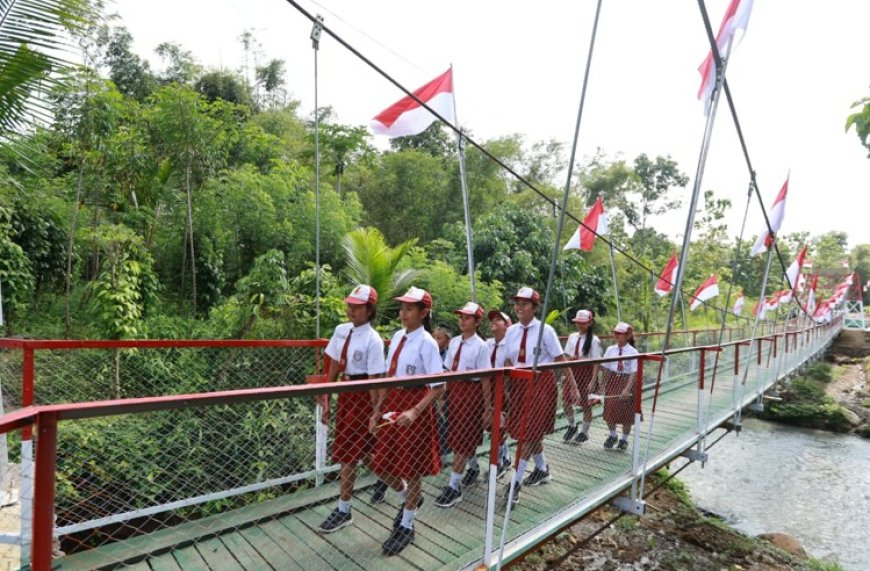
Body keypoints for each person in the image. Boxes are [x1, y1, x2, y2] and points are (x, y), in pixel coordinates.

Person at [370, 287, 445, 556]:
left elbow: (439, 386)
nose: (403, 313)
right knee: (381, 464)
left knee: (412, 469)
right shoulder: (397, 337)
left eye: (409, 309)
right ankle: (409, 499)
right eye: (402, 308)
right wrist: (377, 410)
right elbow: (389, 378)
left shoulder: (427, 343)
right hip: (393, 402)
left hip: (415, 404)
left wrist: (414, 411)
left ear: (423, 313)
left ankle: (407, 525)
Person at [318, 285, 387, 533]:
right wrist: (326, 396)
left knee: (349, 453)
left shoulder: (373, 340)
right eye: (349, 305)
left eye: (357, 307)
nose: (350, 310)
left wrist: (376, 411)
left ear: (369, 310)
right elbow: (334, 365)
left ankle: (344, 509)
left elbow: (375, 379)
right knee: (366, 454)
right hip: (345, 393)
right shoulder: (341, 330)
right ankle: (399, 487)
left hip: (362, 396)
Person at [502, 287, 576, 506]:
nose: (519, 307)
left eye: (524, 304)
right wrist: (506, 387)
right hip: (519, 384)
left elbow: (560, 359)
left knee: (528, 433)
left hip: (540, 384)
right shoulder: (511, 331)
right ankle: (542, 469)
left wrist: (572, 385)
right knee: (530, 432)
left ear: (534, 308)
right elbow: (508, 360)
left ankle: (515, 482)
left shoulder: (546, 330)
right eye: (517, 303)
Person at [434, 302, 491, 508]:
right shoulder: (455, 342)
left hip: (470, 393)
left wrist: (487, 407)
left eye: (467, 318)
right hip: (454, 391)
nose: (462, 321)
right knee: (458, 436)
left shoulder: (481, 346)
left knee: (462, 439)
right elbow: (448, 370)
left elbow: (485, 378)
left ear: (477, 322)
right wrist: (443, 396)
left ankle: (454, 487)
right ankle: (473, 467)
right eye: (461, 317)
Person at [562, 309, 602, 444]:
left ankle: (584, 432)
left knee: (586, 404)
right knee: (566, 400)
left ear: (589, 323)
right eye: (578, 322)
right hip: (572, 371)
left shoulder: (594, 340)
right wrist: (565, 374)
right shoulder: (572, 336)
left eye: (583, 322)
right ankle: (572, 425)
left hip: (586, 373)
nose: (579, 325)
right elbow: (567, 356)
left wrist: (593, 380)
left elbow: (596, 362)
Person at [599, 322, 640, 450]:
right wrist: (602, 385)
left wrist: (627, 389)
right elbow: (606, 368)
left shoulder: (633, 352)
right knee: (610, 408)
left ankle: (624, 439)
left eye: (619, 333)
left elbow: (634, 372)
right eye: (615, 333)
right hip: (613, 379)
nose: (616, 335)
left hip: (626, 380)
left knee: (626, 412)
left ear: (627, 336)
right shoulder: (610, 350)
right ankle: (612, 435)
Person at [486, 310, 512, 477]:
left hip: (502, 388)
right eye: (492, 319)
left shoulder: (510, 345)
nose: (494, 322)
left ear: (507, 326)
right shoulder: (487, 344)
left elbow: (510, 369)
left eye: (499, 320)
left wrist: (506, 391)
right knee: (492, 427)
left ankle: (499, 463)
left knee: (500, 427)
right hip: (488, 388)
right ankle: (506, 457)